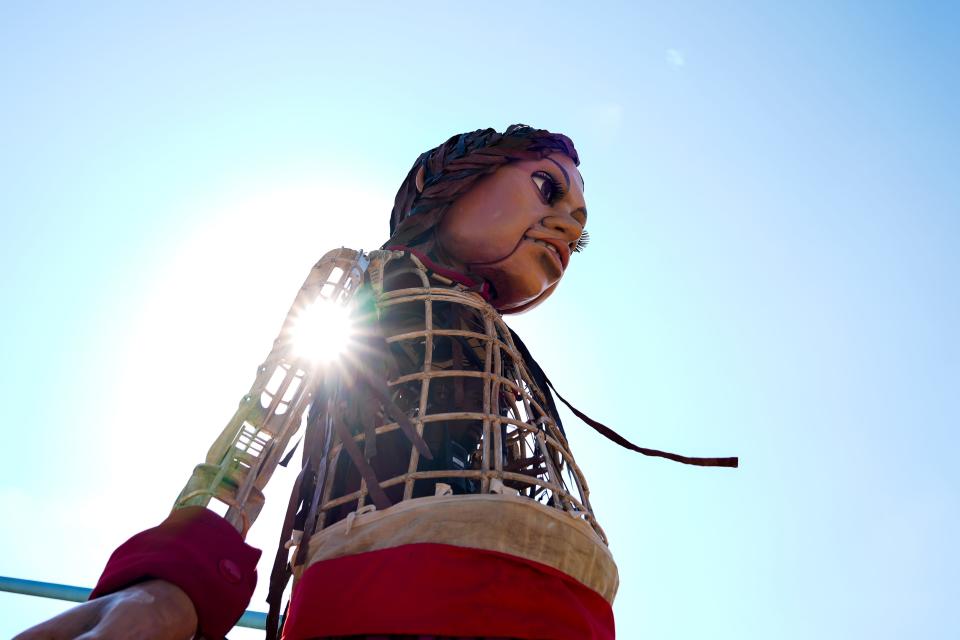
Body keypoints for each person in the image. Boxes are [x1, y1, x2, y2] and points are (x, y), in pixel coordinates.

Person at [16, 125, 733, 640]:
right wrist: (173, 579)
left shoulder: (501, 341)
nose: (565, 227)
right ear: (456, 181)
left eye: (576, 231)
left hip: (566, 595)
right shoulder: (361, 280)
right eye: (547, 188)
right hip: (388, 584)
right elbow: (265, 418)